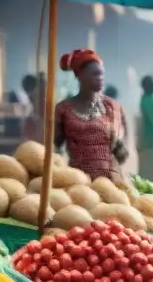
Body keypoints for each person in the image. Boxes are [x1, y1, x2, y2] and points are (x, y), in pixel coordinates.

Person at [53, 49, 128, 182]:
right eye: (95, 74)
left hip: (110, 181)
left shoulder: (113, 108)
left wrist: (121, 147)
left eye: (102, 74)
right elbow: (56, 147)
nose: (101, 78)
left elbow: (121, 152)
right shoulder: (63, 109)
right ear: (80, 76)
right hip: (78, 182)